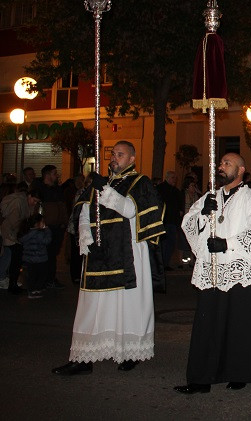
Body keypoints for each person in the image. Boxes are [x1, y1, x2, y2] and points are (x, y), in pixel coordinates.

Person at [174, 152, 251, 394]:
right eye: (220, 163)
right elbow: (189, 225)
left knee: (239, 327)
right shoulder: (209, 197)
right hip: (214, 271)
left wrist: (227, 243)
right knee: (210, 327)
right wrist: (203, 212)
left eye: (227, 163)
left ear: (242, 169)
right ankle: (201, 379)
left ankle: (239, 372)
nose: (221, 167)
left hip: (242, 271)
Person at [52, 141, 165, 376]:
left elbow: (129, 210)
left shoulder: (139, 182)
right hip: (99, 253)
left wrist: (105, 189)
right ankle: (83, 358)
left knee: (127, 303)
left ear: (132, 159)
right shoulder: (98, 183)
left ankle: (129, 352)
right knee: (91, 305)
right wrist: (86, 237)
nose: (114, 158)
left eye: (120, 154)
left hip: (128, 253)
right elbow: (84, 211)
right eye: (113, 154)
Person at [0, 184, 40, 293]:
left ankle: (8, 280)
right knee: (13, 258)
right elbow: (14, 221)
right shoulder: (18, 202)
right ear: (29, 196)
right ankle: (9, 282)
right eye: (34, 200)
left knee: (9, 256)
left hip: (14, 233)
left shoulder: (25, 203)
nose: (34, 203)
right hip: (10, 233)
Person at [32, 165, 69, 289]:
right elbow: (36, 209)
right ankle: (42, 279)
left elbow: (62, 206)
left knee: (52, 254)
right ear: (47, 175)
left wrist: (64, 222)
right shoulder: (40, 190)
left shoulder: (57, 190)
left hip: (57, 227)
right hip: (46, 227)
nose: (56, 175)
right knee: (45, 254)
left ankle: (50, 279)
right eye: (54, 173)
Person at [157, 170, 184, 270]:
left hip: (173, 221)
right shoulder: (160, 189)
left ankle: (166, 263)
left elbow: (179, 203)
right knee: (164, 244)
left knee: (171, 243)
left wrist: (180, 211)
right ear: (167, 178)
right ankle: (161, 264)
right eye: (173, 178)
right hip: (164, 221)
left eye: (175, 179)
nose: (174, 180)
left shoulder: (175, 191)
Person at [20, 213, 51, 299]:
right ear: (38, 223)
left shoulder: (27, 232)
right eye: (42, 222)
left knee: (31, 275)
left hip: (29, 258)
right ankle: (35, 289)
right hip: (39, 258)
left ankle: (32, 289)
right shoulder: (39, 233)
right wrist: (47, 230)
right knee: (42, 274)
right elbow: (46, 241)